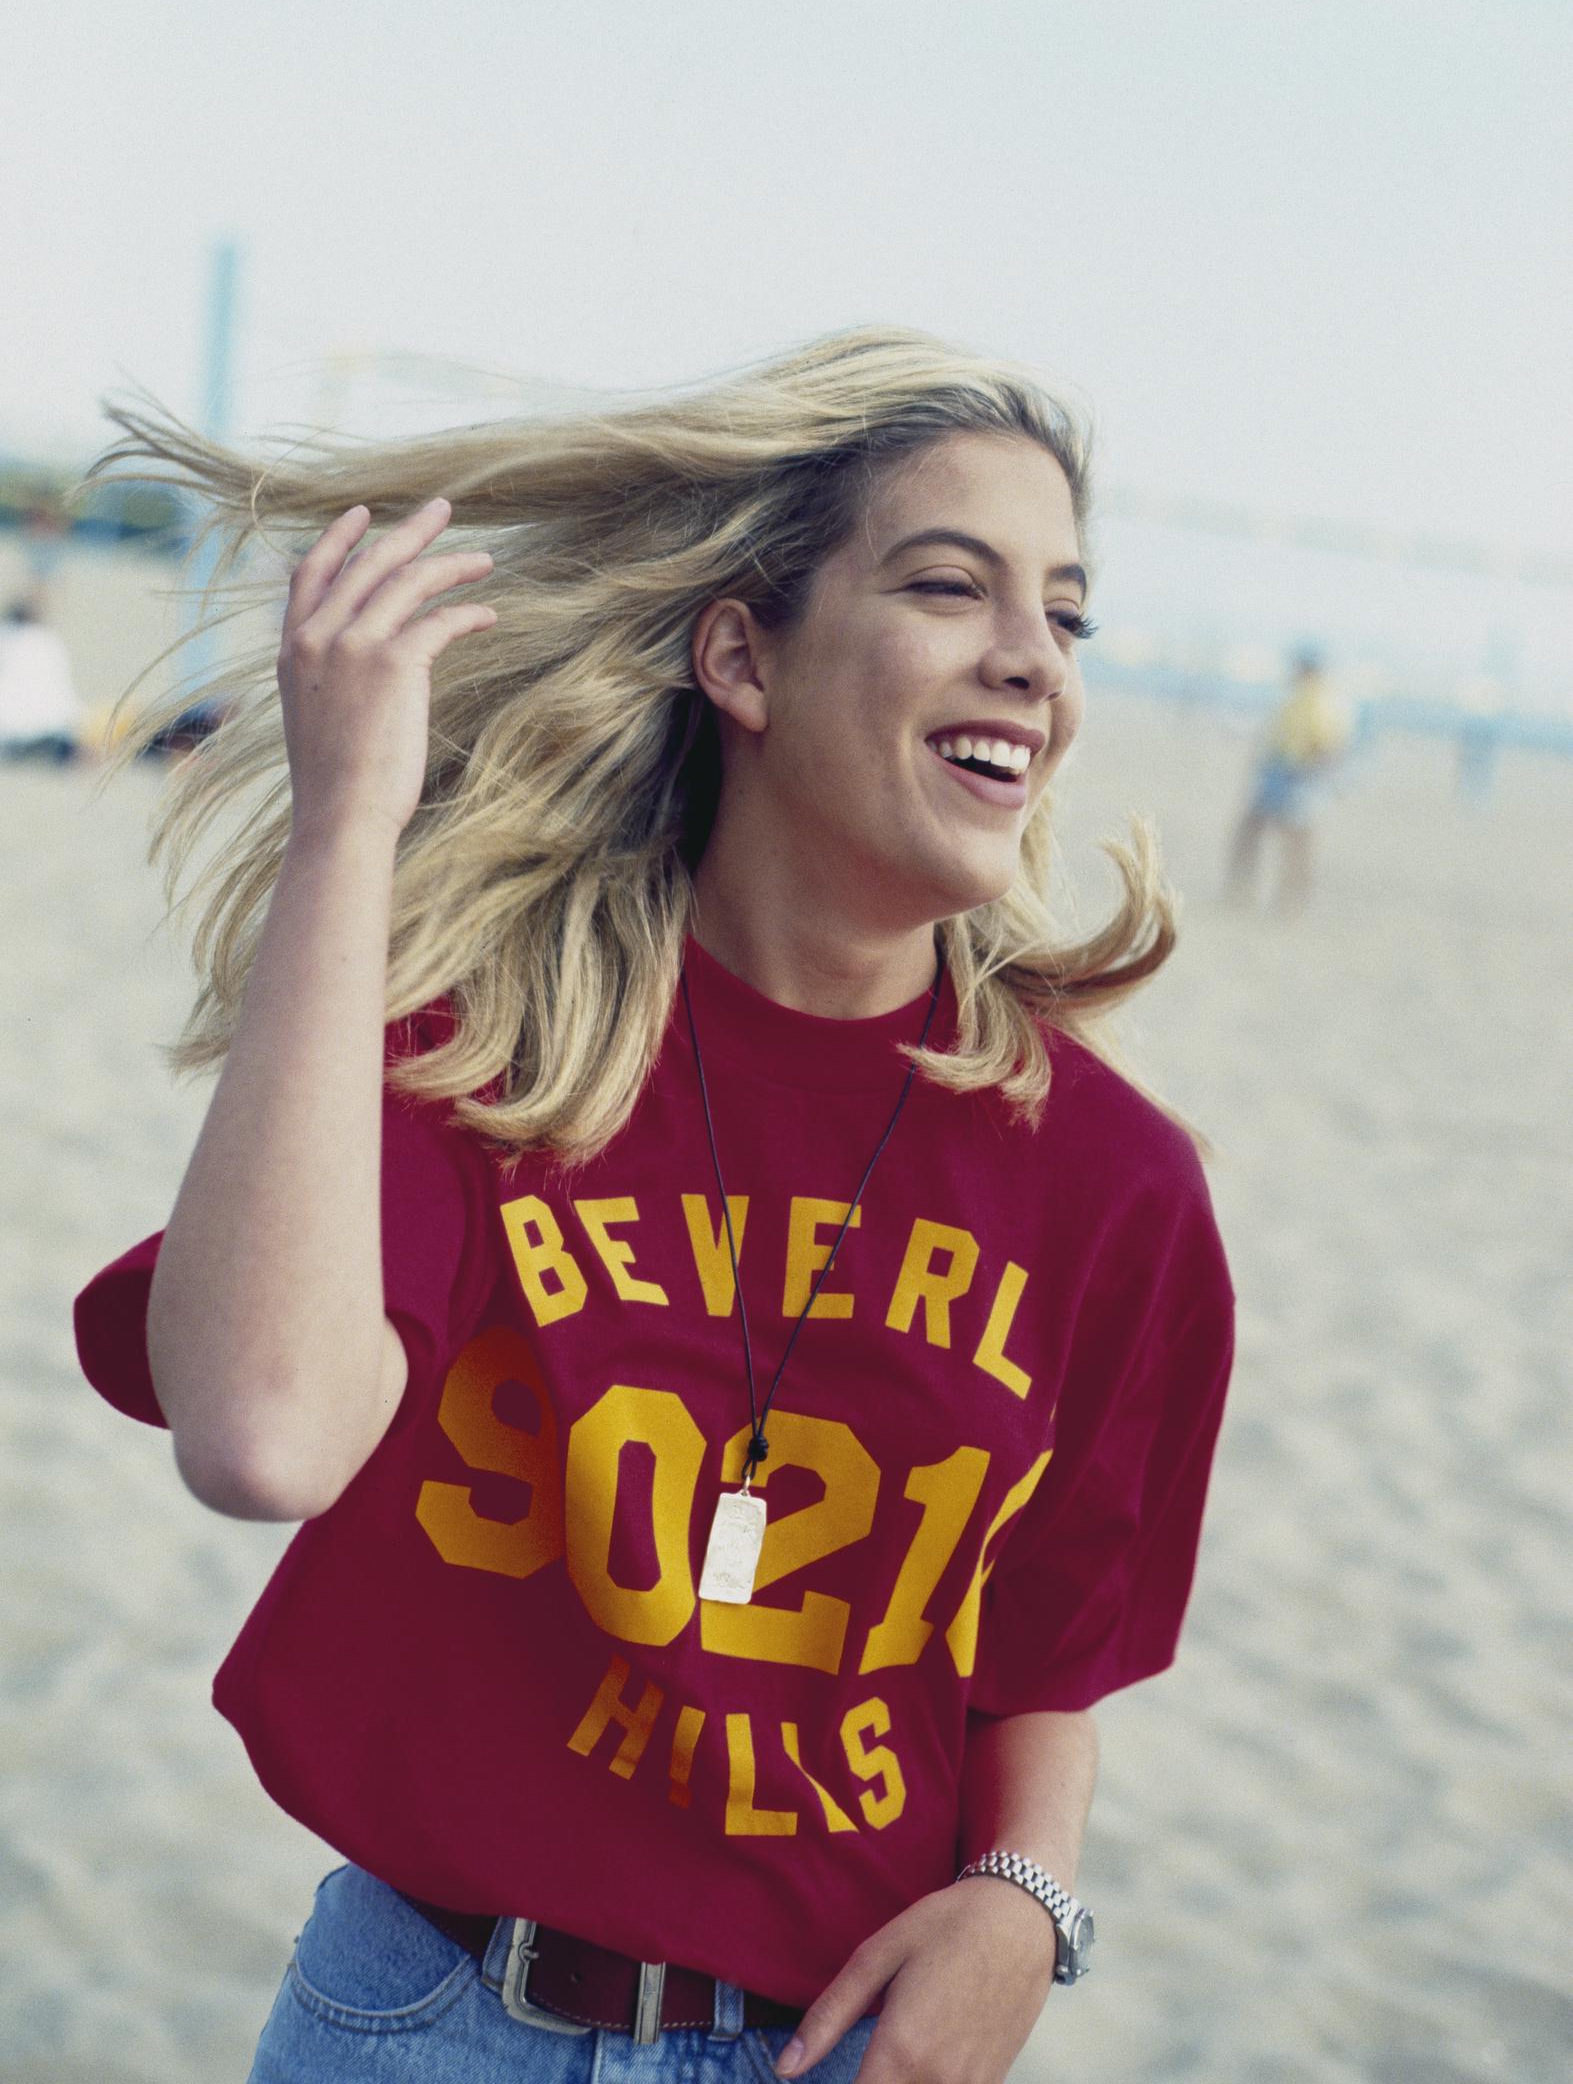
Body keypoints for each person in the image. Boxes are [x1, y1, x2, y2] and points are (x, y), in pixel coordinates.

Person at [75, 328, 1236, 2084]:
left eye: (1063, 617)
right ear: (740, 656)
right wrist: (348, 837)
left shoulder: (1109, 1181)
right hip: (421, 2021)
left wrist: (1024, 1898)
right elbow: (262, 1436)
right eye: (950, 586)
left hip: (828, 2047)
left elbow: (1047, 1638)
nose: (1031, 661)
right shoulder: (488, 1058)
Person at [1226, 645, 1351, 914]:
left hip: (1297, 777)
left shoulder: (1319, 700)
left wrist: (1318, 780)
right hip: (1280, 773)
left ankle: (1289, 903)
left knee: (1295, 843)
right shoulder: (1300, 697)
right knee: (1258, 833)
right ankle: (1246, 893)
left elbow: (1329, 745)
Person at [0, 590, 82, 762]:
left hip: (10, 728)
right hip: (49, 725)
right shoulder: (48, 641)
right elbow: (62, 694)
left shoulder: (8, 636)